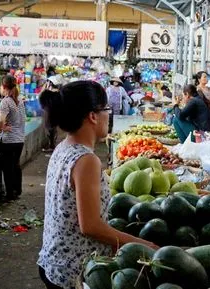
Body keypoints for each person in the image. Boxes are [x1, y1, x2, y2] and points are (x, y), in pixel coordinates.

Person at [37, 81, 157, 289]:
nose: (108, 115)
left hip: (53, 262)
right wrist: (145, 246)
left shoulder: (63, 147)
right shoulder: (86, 161)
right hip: (74, 271)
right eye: (106, 109)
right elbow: (90, 226)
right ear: (93, 116)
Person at [0, 75, 26, 201]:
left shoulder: (5, 102)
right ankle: (17, 191)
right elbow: (22, 119)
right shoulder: (19, 100)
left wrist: (0, 128)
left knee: (7, 168)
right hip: (19, 140)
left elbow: (1, 122)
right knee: (15, 165)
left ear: (3, 87)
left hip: (8, 141)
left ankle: (9, 195)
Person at [41, 75, 64, 152]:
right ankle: (53, 146)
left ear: (50, 83)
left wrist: (45, 87)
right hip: (57, 116)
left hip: (49, 117)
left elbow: (40, 98)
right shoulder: (60, 94)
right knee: (54, 132)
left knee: (50, 132)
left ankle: (51, 146)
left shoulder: (46, 94)